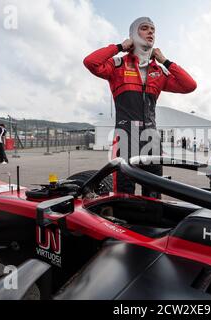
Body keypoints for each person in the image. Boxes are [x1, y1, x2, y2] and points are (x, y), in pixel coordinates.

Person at [84, 17, 196, 197]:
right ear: (133, 34)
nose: (151, 32)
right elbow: (91, 62)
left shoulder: (158, 72)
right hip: (126, 137)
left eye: (153, 29)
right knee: (124, 193)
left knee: (153, 193)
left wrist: (165, 61)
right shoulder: (118, 65)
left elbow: (189, 85)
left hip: (151, 138)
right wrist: (119, 47)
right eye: (144, 28)